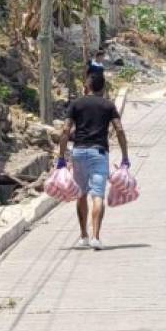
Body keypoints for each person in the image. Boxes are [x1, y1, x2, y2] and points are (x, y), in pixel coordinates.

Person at [58, 72, 130, 250]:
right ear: (103, 88)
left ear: (87, 86)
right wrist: (125, 156)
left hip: (79, 153)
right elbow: (119, 130)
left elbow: (66, 130)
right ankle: (96, 237)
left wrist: (61, 156)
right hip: (99, 154)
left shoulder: (76, 104)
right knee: (98, 195)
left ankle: (83, 236)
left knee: (81, 194)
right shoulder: (108, 105)